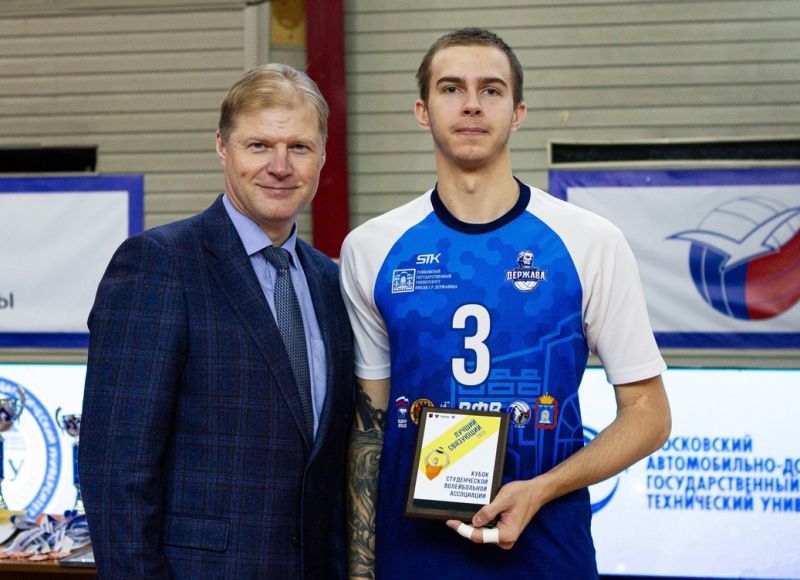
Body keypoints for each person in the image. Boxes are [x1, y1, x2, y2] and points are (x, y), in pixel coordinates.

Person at [339, 27, 671, 579]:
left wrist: (542, 488)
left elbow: (650, 415)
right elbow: (369, 426)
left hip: (549, 557)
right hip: (412, 558)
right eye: (451, 88)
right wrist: (360, 566)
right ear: (422, 111)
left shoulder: (589, 241)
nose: (471, 104)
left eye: (490, 90)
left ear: (517, 113)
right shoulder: (371, 248)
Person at [80, 63, 354, 579]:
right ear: (223, 147)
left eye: (299, 147)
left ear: (322, 156)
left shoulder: (329, 281)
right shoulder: (159, 264)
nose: (280, 166)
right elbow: (116, 471)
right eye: (259, 146)